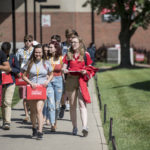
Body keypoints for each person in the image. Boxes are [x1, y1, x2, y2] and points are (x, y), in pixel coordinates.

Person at [62, 35, 93, 137]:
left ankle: (85, 127)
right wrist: (64, 70)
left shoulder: (85, 54)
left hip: (81, 80)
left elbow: (90, 67)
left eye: (75, 42)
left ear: (80, 43)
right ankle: (75, 127)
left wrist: (85, 71)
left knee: (82, 104)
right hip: (70, 79)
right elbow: (63, 67)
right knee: (72, 105)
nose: (73, 44)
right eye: (72, 42)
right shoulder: (68, 54)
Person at [22, 44, 53, 140]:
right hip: (32, 89)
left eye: (39, 52)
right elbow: (23, 76)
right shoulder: (29, 63)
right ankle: (34, 128)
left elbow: (51, 74)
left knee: (39, 110)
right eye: (36, 52)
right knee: (33, 111)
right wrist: (30, 83)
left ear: (42, 53)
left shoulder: (46, 63)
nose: (38, 54)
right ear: (33, 53)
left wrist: (47, 81)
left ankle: (40, 131)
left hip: (41, 89)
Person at [59, 29, 78, 118]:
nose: (70, 39)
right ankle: (63, 106)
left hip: (72, 70)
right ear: (66, 37)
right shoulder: (62, 45)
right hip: (63, 69)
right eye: (69, 37)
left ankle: (72, 109)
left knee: (71, 91)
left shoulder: (75, 45)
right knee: (63, 92)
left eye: (72, 37)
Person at [1, 42, 20, 130]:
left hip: (10, 82)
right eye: (3, 50)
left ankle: (7, 122)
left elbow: (17, 69)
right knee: (3, 103)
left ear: (9, 50)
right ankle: (4, 121)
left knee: (7, 102)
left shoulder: (13, 57)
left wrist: (10, 69)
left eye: (6, 51)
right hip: (1, 81)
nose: (4, 52)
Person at [16, 34, 34, 123]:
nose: (28, 42)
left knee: (32, 95)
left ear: (32, 42)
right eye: (26, 41)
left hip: (33, 75)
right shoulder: (20, 51)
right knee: (24, 95)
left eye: (30, 41)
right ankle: (26, 115)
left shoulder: (35, 51)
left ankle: (33, 113)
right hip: (23, 74)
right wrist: (18, 72)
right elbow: (16, 62)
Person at [47, 41, 63, 132]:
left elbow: (64, 70)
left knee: (57, 105)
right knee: (50, 103)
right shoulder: (47, 58)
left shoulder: (61, 58)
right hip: (49, 81)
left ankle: (55, 122)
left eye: (51, 47)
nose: (49, 49)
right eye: (49, 47)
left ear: (56, 48)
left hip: (58, 81)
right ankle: (52, 124)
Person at [42, 44, 51, 126]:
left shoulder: (51, 58)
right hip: (43, 82)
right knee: (44, 101)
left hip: (51, 81)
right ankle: (44, 117)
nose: (45, 52)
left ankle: (48, 118)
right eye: (44, 50)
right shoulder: (41, 59)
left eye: (47, 50)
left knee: (49, 101)